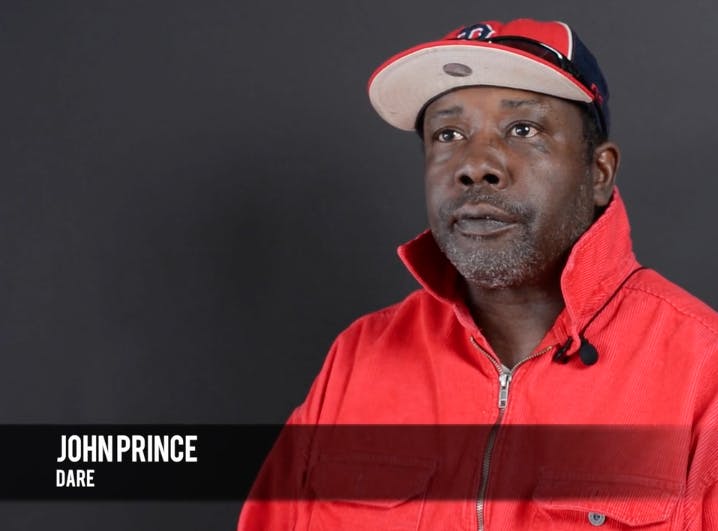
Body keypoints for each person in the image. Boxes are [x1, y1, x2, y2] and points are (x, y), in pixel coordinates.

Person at [237, 18, 718, 530]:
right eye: (449, 134)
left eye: (523, 129)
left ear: (599, 173)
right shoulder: (359, 357)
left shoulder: (703, 373)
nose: (476, 165)